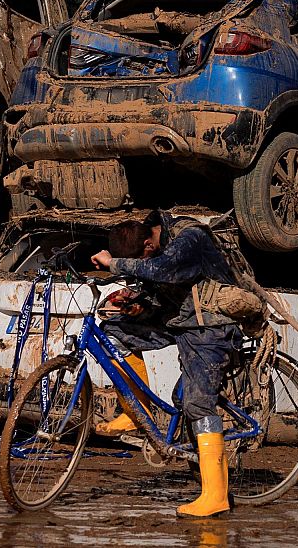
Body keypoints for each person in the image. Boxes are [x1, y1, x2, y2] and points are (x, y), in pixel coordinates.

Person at [90, 210, 243, 518]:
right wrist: (135, 300)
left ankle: (216, 496)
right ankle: (138, 411)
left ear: (148, 243)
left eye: (140, 260)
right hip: (181, 319)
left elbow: (161, 269)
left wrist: (114, 264)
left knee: (196, 404)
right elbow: (162, 288)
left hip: (211, 327)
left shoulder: (189, 237)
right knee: (113, 331)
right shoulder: (158, 246)